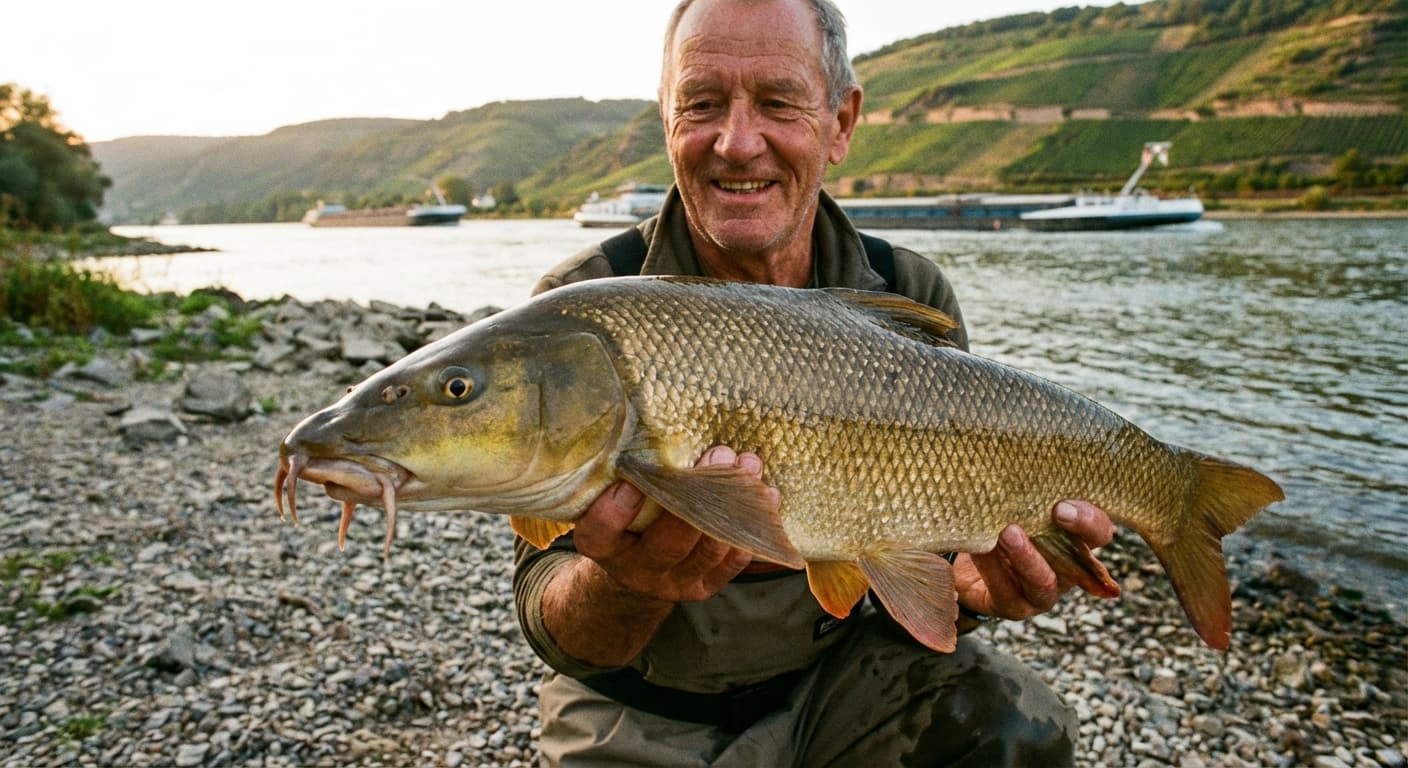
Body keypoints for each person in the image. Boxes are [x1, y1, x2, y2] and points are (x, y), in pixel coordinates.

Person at [513, 0, 1116, 764]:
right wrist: (631, 584)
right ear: (667, 120)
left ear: (841, 122)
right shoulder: (584, 310)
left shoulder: (906, 293)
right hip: (642, 704)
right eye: (701, 104)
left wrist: (972, 593)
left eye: (776, 102)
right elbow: (556, 630)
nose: (736, 143)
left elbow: (932, 584)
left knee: (1018, 728)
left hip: (842, 682)